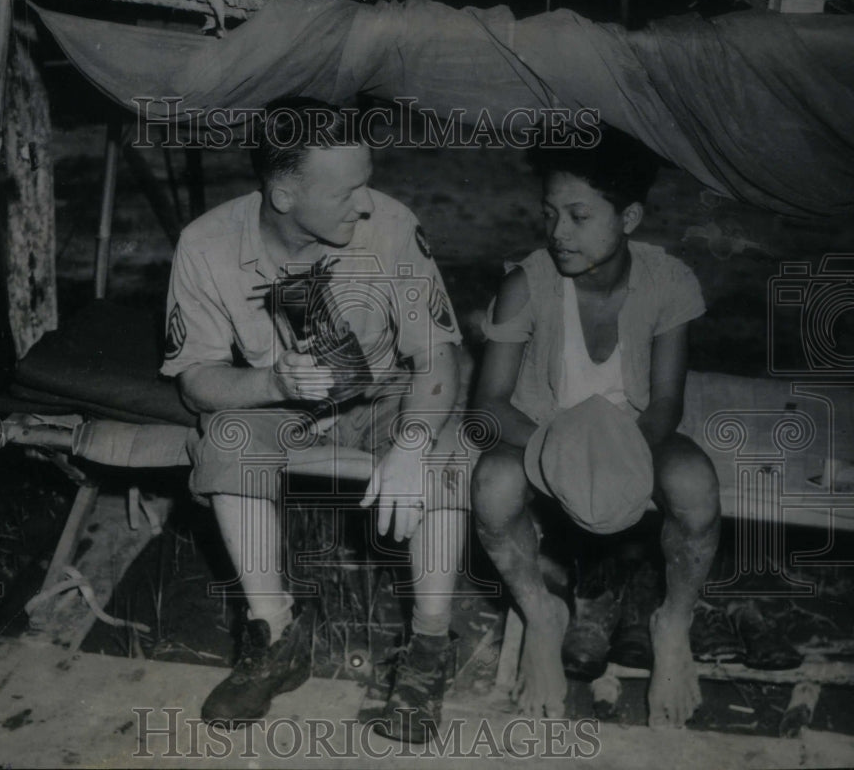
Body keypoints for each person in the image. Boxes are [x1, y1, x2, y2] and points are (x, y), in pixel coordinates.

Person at [161, 97, 467, 743]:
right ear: (282, 193)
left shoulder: (390, 225)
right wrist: (271, 381)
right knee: (225, 434)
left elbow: (439, 354)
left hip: (388, 398)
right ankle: (277, 635)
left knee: (443, 456)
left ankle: (429, 652)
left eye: (368, 181)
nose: (365, 203)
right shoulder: (207, 245)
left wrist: (412, 443)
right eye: (348, 191)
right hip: (289, 405)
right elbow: (195, 381)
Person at [471, 130, 720, 727]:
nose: (559, 232)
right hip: (542, 436)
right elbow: (488, 409)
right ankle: (541, 614)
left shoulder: (669, 283)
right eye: (551, 214)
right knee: (492, 486)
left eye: (579, 217)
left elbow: (664, 403)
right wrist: (564, 457)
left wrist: (618, 459)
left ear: (629, 216)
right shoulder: (525, 285)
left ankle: (673, 624)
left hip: (634, 439)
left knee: (695, 483)